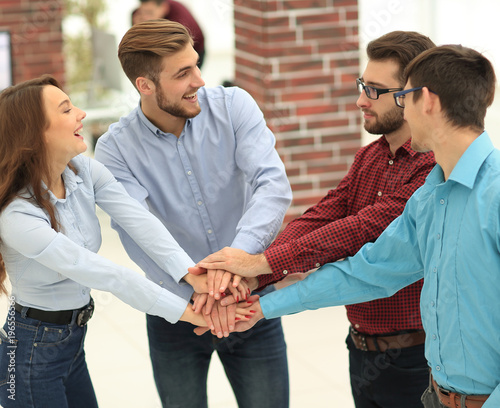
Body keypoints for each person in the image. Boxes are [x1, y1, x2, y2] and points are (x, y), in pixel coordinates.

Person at [233, 44, 499, 408]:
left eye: (403, 97)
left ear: (428, 102)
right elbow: (367, 272)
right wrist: (261, 308)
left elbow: (359, 232)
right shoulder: (429, 197)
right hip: (436, 396)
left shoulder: (495, 197)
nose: (403, 111)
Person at [195, 31, 436, 408]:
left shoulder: (431, 169)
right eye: (362, 85)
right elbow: (323, 215)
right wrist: (255, 273)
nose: (360, 100)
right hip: (361, 348)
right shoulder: (369, 157)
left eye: (374, 90)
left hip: (414, 360)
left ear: (413, 96)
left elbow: (362, 229)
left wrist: (263, 263)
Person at [0, 75, 250, 407]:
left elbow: (142, 223)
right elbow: (107, 275)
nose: (81, 114)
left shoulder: (83, 172)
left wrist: (191, 275)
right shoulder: (18, 216)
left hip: (70, 341)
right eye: (66, 110)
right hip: (30, 350)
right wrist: (190, 313)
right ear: (34, 135)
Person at [94, 20, 292, 408]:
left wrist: (232, 268)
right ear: (144, 85)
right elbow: (138, 230)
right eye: (183, 73)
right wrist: (198, 289)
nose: (199, 80)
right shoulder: (115, 151)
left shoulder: (234, 106)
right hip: (176, 311)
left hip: (250, 297)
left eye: (196, 65)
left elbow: (272, 186)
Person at [131, 0, 205, 68]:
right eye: (143, 11)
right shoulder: (137, 14)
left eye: (150, 13)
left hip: (195, 49)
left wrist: (146, 30)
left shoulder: (178, 17)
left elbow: (176, 45)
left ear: (164, 8)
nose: (145, 17)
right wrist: (137, 27)